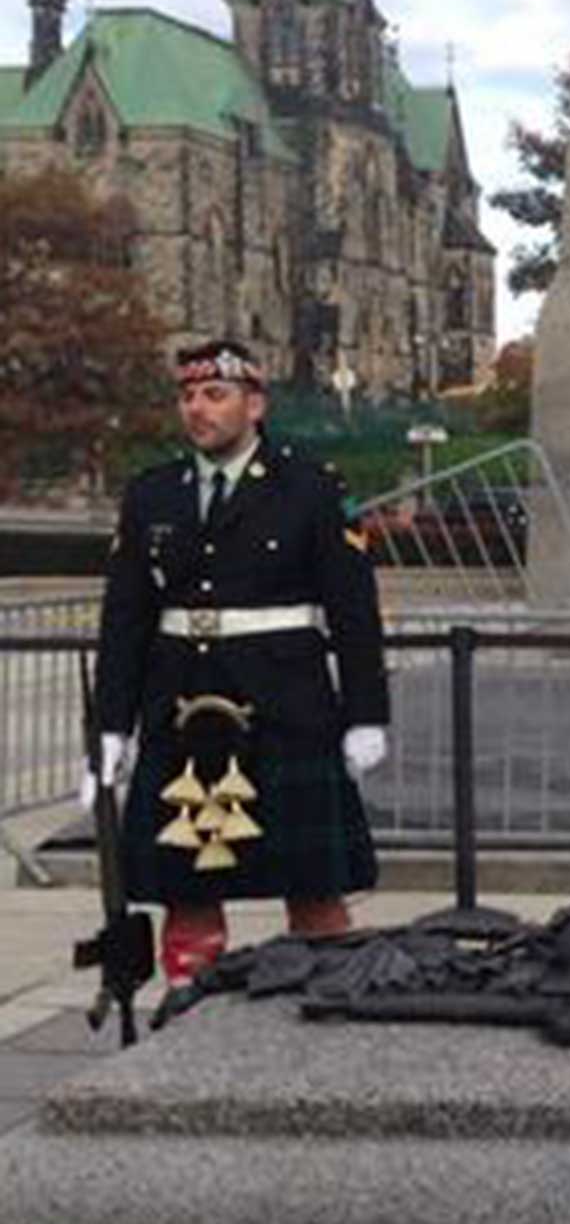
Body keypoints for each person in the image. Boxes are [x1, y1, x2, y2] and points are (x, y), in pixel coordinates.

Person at [81, 339, 391, 1002]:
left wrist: (367, 715)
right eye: (188, 395)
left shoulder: (311, 486)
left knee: (313, 887)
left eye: (215, 395)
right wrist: (111, 731)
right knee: (185, 888)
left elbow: (355, 612)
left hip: (287, 710)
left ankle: (324, 1015)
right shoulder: (152, 493)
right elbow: (125, 620)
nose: (198, 409)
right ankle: (190, 1019)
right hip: (181, 710)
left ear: (255, 405)